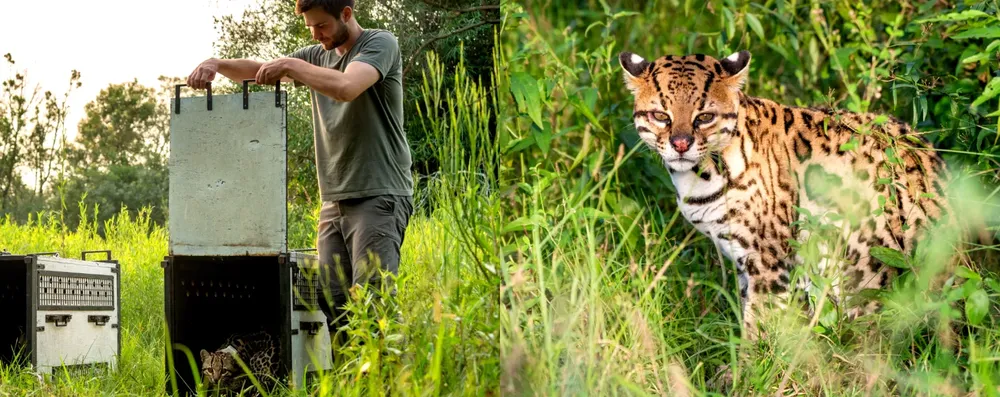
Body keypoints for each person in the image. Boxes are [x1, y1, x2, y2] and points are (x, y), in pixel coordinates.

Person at [186, 0, 414, 350]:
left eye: (321, 25)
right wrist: (217, 63)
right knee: (335, 302)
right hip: (333, 201)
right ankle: (352, 384)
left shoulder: (380, 43)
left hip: (378, 194)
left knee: (373, 302)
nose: (315, 33)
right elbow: (259, 69)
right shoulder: (314, 55)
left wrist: (291, 65)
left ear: (347, 14)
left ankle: (391, 385)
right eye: (310, 27)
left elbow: (346, 87)